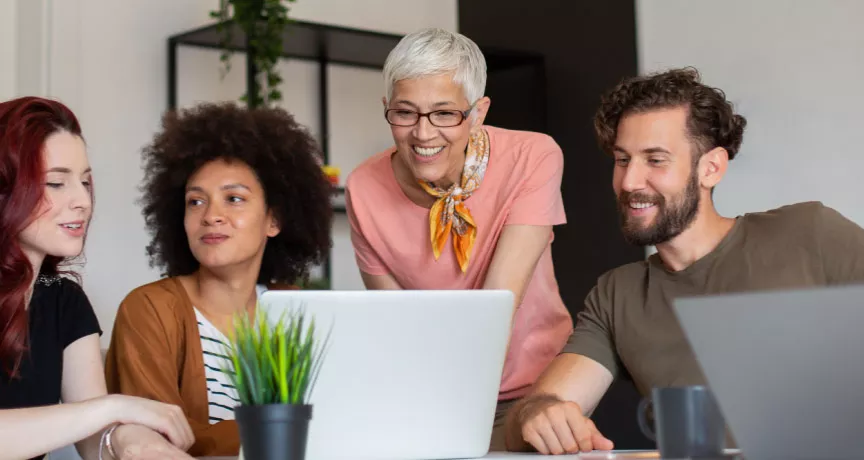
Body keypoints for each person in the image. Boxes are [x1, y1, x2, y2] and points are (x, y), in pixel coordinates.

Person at [504, 67, 864, 454]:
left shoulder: (809, 234)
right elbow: (541, 409)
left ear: (711, 168)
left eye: (655, 160)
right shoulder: (617, 294)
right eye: (623, 160)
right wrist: (540, 415)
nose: (629, 182)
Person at [344, 27, 572, 449]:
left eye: (445, 114)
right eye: (405, 112)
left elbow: (498, 306)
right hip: (432, 394)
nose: (423, 134)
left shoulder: (534, 157)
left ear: (478, 112)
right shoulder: (363, 187)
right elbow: (395, 324)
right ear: (387, 108)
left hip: (537, 391)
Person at [104, 102, 333, 457]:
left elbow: (335, 422)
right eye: (195, 202)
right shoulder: (148, 310)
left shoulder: (296, 312)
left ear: (274, 220)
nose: (211, 216)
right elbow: (153, 438)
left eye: (234, 199)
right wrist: (274, 432)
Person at [0, 97, 195, 460]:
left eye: (85, 182)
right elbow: (94, 414)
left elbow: (93, 439)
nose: (83, 202)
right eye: (56, 183)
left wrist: (131, 440)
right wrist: (113, 408)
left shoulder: (62, 299)